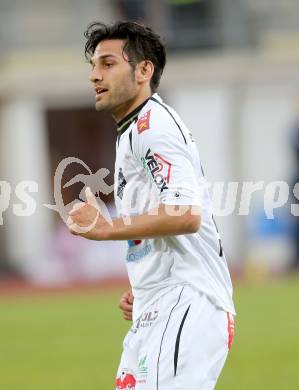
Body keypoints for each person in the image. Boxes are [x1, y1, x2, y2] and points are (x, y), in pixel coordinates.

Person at [67, 21, 235, 390]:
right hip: (160, 303)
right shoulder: (133, 130)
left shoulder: (153, 127)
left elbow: (186, 215)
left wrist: (106, 228)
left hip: (188, 302)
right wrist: (147, 283)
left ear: (144, 70)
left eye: (108, 64)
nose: (95, 75)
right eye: (94, 66)